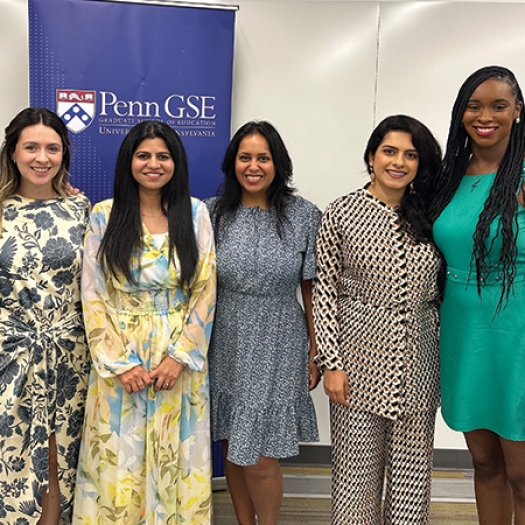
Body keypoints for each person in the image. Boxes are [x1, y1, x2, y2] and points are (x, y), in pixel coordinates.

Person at [72, 121, 216, 524]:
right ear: (128, 161)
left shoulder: (195, 212)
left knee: (176, 459)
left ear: (176, 162)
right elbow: (93, 294)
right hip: (121, 360)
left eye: (163, 156)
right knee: (119, 463)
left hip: (177, 363)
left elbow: (205, 290)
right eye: (143, 155)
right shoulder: (104, 215)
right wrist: (120, 362)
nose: (153, 164)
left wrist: (180, 357)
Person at [314, 115, 443, 524]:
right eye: (389, 151)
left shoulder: (433, 215)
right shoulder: (342, 212)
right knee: (355, 479)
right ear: (371, 156)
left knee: (411, 481)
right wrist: (331, 364)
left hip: (419, 363)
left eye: (410, 154)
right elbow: (324, 293)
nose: (399, 162)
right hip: (357, 360)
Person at [205, 120, 321, 525]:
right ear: (232, 163)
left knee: (259, 454)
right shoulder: (212, 213)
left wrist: (315, 348)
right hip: (223, 337)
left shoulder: (304, 215)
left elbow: (312, 288)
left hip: (278, 336)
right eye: (245, 157)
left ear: (278, 164)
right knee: (231, 444)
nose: (253, 166)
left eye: (263, 158)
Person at [431, 65, 525, 525]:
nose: (485, 116)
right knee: (485, 462)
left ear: (517, 112)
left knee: (523, 472)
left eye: (498, 106)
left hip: (518, 334)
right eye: (474, 105)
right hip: (464, 333)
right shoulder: (450, 175)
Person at [0, 107, 91, 524]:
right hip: (7, 353)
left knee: (58, 460)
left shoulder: (81, 209)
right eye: (31, 147)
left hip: (68, 356)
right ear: (13, 153)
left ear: (64, 154)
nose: (42, 158)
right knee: (10, 459)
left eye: (52, 148)